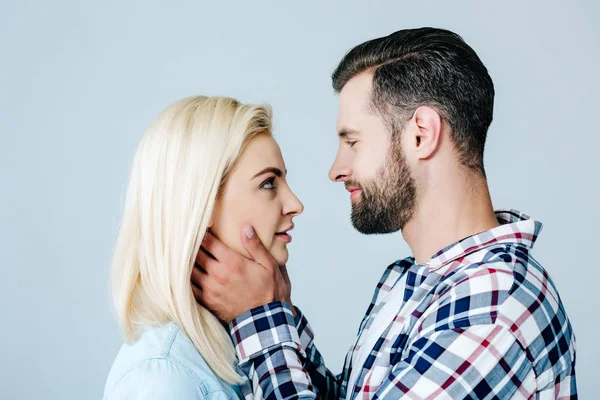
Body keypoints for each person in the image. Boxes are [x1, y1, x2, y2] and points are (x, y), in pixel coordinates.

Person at [194, 28, 578, 399]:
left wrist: (259, 317)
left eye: (353, 141)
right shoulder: (412, 282)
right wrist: (276, 309)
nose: (336, 169)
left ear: (421, 135)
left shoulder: (491, 308)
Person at [103, 96, 303, 399]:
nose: (295, 204)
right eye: (268, 183)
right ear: (201, 204)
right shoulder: (163, 378)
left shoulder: (235, 342)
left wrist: (273, 314)